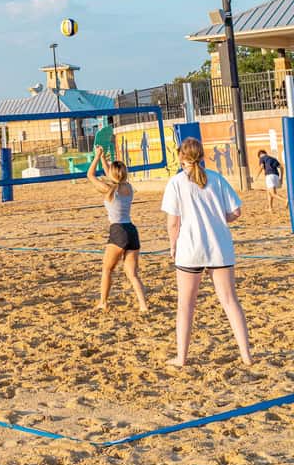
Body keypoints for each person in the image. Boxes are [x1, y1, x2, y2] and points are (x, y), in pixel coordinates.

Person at [161, 136, 251, 367]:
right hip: (219, 247)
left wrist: (173, 245)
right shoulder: (217, 179)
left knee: (186, 305)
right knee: (230, 302)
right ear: (201, 156)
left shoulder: (177, 183)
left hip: (190, 248)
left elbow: (173, 222)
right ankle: (246, 356)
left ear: (182, 157)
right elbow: (236, 212)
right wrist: (218, 219)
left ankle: (181, 357)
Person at [87, 146, 147, 312]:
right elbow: (113, 177)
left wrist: (97, 157)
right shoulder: (128, 188)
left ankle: (103, 302)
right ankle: (143, 306)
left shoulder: (109, 190)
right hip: (132, 231)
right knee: (132, 274)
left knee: (107, 269)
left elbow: (90, 175)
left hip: (118, 230)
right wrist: (105, 160)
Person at [256, 148, 284, 213]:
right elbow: (282, 167)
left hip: (269, 176)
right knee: (269, 192)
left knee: (273, 193)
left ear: (260, 154)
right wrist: (281, 178)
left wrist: (257, 176)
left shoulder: (262, 158)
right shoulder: (273, 159)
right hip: (276, 176)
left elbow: (262, 167)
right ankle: (270, 208)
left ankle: (285, 200)